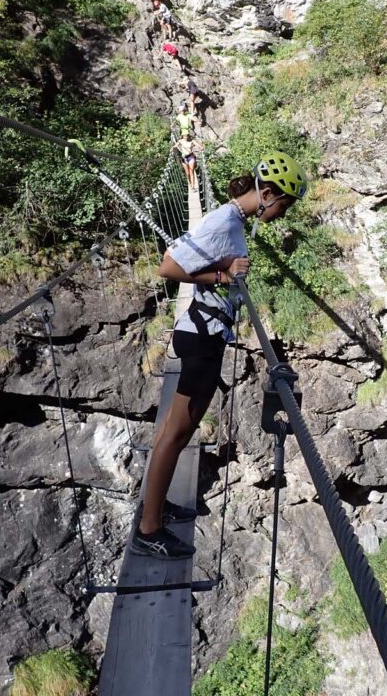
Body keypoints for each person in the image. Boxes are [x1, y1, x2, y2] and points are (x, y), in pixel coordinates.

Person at [132, 153, 309, 559]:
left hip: (204, 335)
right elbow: (168, 267)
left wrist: (223, 272)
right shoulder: (224, 222)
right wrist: (223, 276)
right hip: (201, 339)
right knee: (176, 434)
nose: (281, 214)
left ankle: (155, 508)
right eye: (283, 206)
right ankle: (149, 529)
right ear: (267, 194)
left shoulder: (232, 220)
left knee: (175, 431)